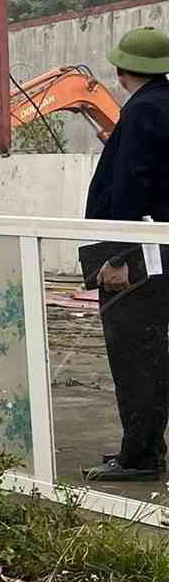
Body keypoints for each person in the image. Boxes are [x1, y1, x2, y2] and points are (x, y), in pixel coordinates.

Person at [82, 27, 169, 482]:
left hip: (138, 251)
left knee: (135, 352)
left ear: (120, 70)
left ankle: (139, 456)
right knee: (153, 352)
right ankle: (144, 446)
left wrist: (116, 257)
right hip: (160, 247)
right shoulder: (162, 106)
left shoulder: (141, 111)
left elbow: (133, 185)